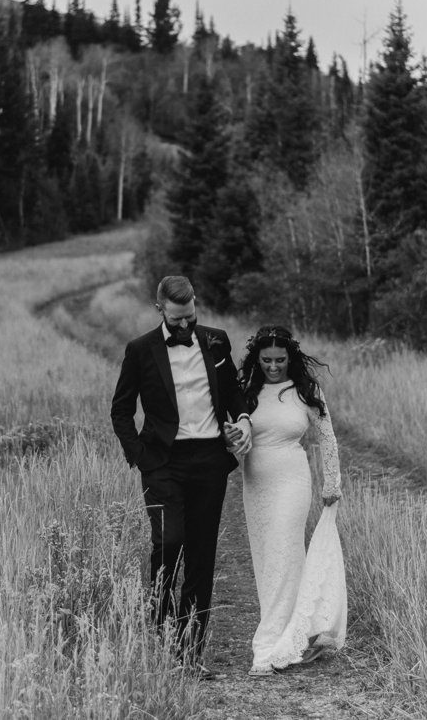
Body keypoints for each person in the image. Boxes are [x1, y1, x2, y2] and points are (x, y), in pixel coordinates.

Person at [110, 275, 252, 678]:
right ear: (160, 311)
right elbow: (121, 410)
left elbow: (234, 392)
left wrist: (241, 418)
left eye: (190, 317)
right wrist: (139, 456)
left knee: (202, 556)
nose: (186, 327)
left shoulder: (216, 340)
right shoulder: (140, 350)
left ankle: (188, 657)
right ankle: (162, 637)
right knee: (168, 544)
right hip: (163, 464)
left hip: (209, 460)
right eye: (177, 321)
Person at [232, 324, 346, 676]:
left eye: (280, 360)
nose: (273, 366)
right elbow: (233, 433)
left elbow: (327, 438)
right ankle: (296, 632)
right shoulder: (247, 391)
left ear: (290, 357)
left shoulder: (306, 391)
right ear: (257, 359)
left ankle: (268, 647)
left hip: (293, 483)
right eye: (266, 360)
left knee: (284, 550)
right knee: (269, 562)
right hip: (256, 486)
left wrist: (333, 483)